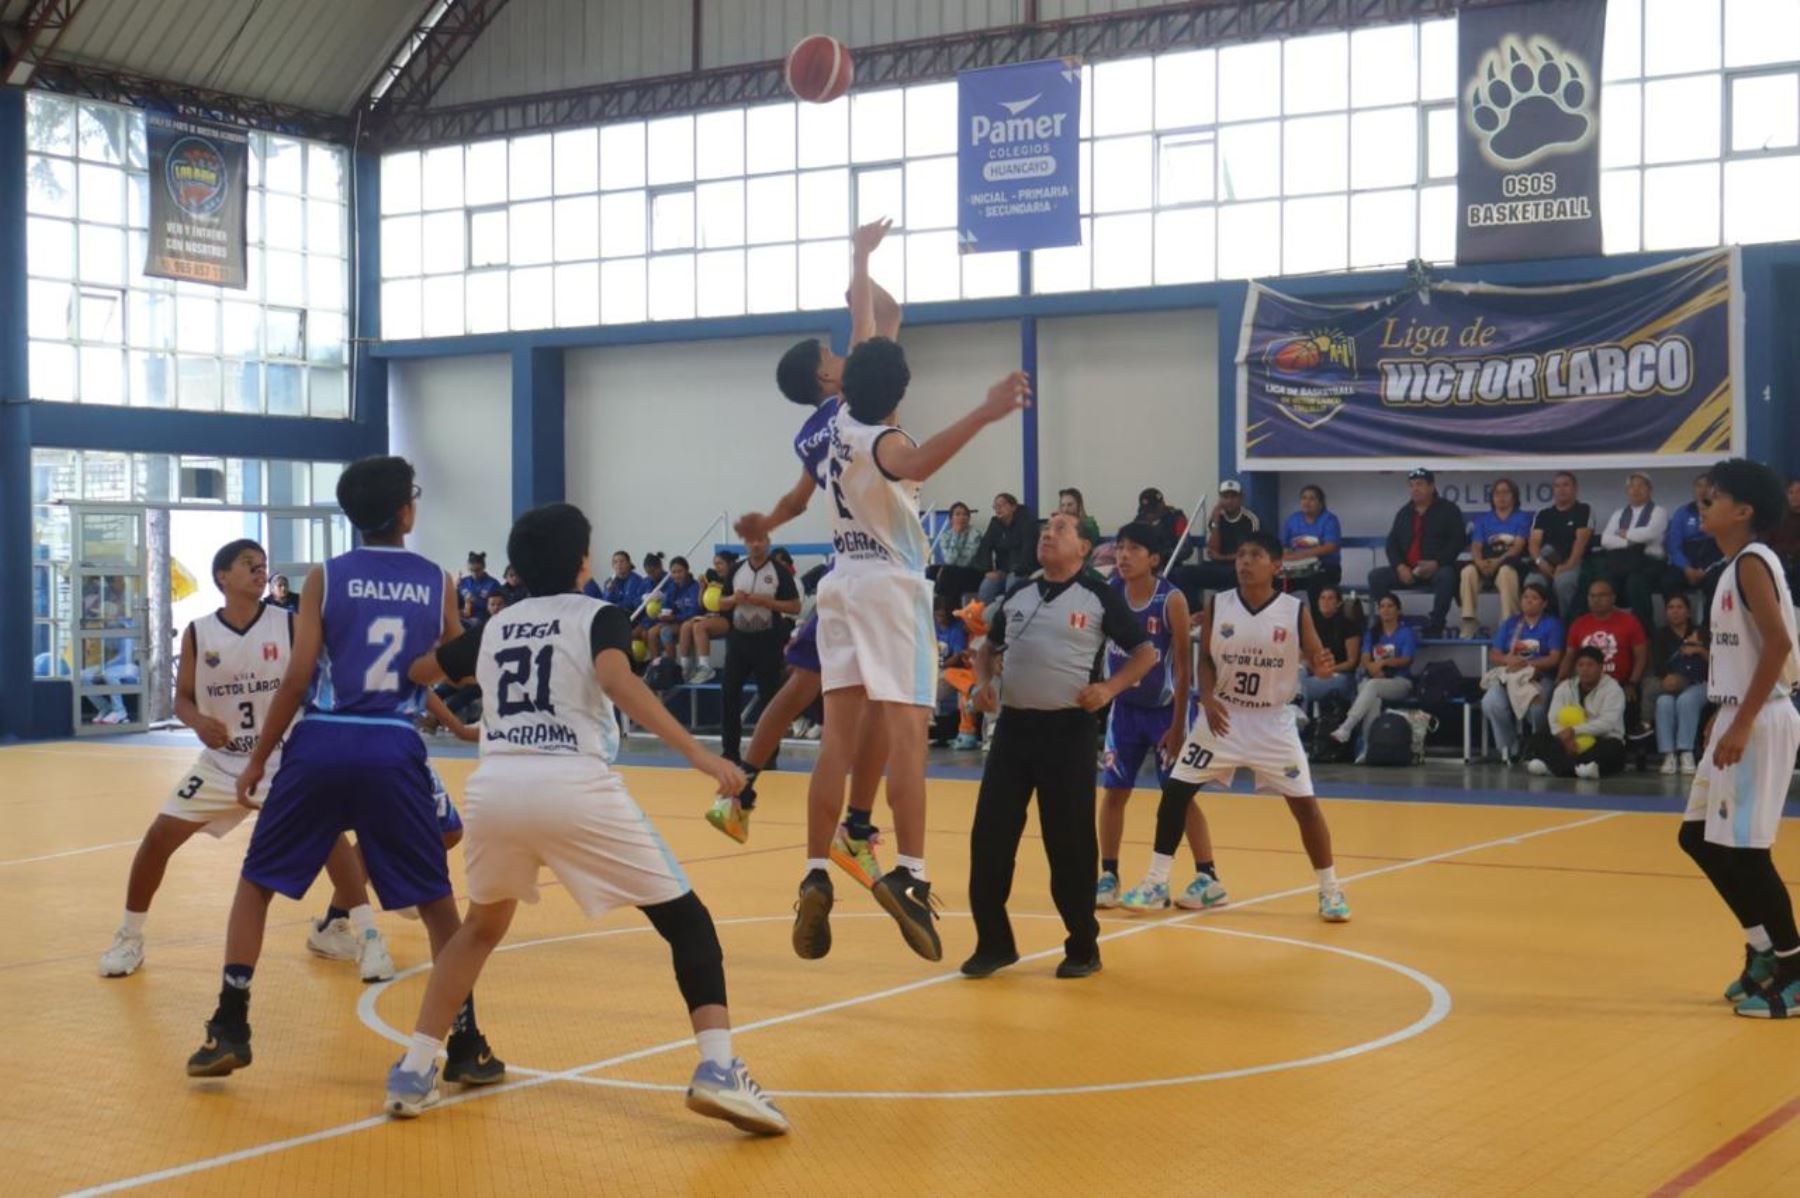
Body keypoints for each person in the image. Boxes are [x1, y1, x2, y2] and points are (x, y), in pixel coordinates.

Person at [381, 504, 784, 1131]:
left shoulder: (498, 625)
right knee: (688, 924)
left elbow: (418, 670)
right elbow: (619, 682)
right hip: (572, 782)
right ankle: (718, 1067)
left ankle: (412, 1068)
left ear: (515, 568)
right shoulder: (600, 615)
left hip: (496, 789)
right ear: (583, 563)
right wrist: (703, 756)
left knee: (479, 930)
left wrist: (442, 646)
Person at [184, 456, 502, 1087]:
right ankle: (466, 1043)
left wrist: (257, 757)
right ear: (406, 511)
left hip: (321, 741)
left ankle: (229, 1023)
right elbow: (458, 665)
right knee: (438, 904)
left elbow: (301, 676)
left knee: (256, 883)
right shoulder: (437, 580)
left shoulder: (325, 577)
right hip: (392, 744)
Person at [791, 335, 1031, 963]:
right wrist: (985, 411)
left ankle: (815, 870)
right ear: (899, 395)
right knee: (907, 737)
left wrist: (862, 260)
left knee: (838, 738)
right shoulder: (887, 444)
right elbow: (918, 461)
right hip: (891, 591)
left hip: (839, 585)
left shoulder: (838, 421)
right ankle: (912, 875)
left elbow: (868, 331)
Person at [96, 539, 390, 981]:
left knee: (329, 837)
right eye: (248, 565)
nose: (259, 571)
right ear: (222, 577)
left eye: (262, 565)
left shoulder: (290, 624)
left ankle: (364, 936)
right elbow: (182, 699)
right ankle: (128, 936)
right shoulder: (199, 631)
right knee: (158, 838)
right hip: (220, 763)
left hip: (284, 760)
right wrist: (197, 720)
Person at [713, 218, 899, 887]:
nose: (847, 352)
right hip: (878, 573)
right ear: (829, 374)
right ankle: (855, 829)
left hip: (845, 576)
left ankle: (738, 796)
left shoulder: (811, 432)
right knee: (875, 704)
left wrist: (768, 518)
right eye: (836, 352)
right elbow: (874, 317)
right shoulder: (856, 402)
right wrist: (859, 256)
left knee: (798, 689)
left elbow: (795, 501)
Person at [961, 513, 1157, 980]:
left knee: (1068, 844)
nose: (1049, 534)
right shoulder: (1018, 593)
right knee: (989, 839)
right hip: (1012, 733)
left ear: (1085, 547)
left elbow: (1146, 653)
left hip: (1067, 734)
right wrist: (983, 684)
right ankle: (994, 943)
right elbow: (987, 648)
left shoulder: (1098, 596)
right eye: (1046, 528)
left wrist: (1109, 689)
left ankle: (1082, 946)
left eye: (1062, 529)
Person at [1119, 530, 1351, 922]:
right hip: (1222, 716)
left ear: (1276, 565)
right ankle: (1156, 881)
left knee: (1305, 807)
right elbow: (1206, 661)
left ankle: (1330, 889)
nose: (1244, 561)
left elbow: (1315, 658)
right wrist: (1206, 697)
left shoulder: (1294, 610)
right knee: (1175, 792)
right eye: (1241, 554)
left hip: (1272, 722)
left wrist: (1323, 667)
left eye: (1255, 555)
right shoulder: (1218, 604)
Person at [1675, 457, 1800, 1018]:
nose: (1704, 500)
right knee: (1696, 838)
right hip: (1738, 710)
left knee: (1748, 854)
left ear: (1744, 511)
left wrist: (1743, 720)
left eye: (1715, 496)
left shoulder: (1752, 562)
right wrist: (1724, 711)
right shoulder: (1733, 565)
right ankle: (1762, 949)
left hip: (1763, 714)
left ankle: (1794, 971)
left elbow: (1777, 646)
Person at [1093, 523, 1205, 912]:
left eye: (1134, 548)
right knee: (1114, 792)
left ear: (1154, 559)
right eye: (1120, 547)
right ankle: (1108, 873)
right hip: (1124, 710)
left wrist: (1178, 725)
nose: (1123, 555)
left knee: (1180, 796)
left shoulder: (1170, 599)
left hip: (1165, 711)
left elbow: (1184, 670)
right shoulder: (1110, 594)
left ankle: (1208, 874)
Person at [717, 532, 800, 765]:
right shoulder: (736, 570)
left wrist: (767, 602)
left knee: (770, 700)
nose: (755, 544)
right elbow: (720, 602)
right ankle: (730, 752)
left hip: (767, 642)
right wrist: (734, 599)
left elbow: (795, 606)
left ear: (767, 543)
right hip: (738, 641)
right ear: (745, 543)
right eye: (751, 540)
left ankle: (768, 755)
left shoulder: (779, 571)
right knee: (729, 694)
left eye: (760, 540)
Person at [1367, 467, 1467, 638]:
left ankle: (1436, 625)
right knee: (1375, 576)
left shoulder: (1449, 510)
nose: (1415, 489)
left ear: (1431, 486)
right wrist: (1399, 566)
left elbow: (1457, 541)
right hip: (1407, 569)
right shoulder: (1404, 513)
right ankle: (1392, 620)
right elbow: (1392, 544)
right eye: (1411, 485)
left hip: (1436, 568)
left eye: (1419, 484)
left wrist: (1437, 563)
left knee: (1448, 575)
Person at [1478, 581, 1565, 765]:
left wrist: (1527, 664)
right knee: (1490, 702)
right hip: (1510, 677)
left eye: (1534, 598)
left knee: (1537, 709)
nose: (1528, 601)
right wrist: (1509, 661)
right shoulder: (1511, 623)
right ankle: (1510, 748)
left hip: (1538, 676)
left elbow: (1555, 657)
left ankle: (1537, 748)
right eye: (1525, 597)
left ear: (1544, 603)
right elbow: (1495, 653)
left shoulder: (1552, 624)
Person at [1328, 593, 1420, 754]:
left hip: (1400, 681)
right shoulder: (1373, 632)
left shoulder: (1406, 632)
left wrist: (1384, 663)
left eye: (1390, 606)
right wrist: (1374, 669)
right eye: (1382, 606)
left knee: (1370, 686)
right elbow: (1365, 659)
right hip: (1375, 680)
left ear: (1398, 610)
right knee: (1373, 698)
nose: (1386, 610)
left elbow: (1407, 660)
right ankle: (1368, 748)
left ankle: (1347, 726)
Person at [1523, 646, 1628, 779]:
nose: (1585, 669)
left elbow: (1607, 723)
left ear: (1601, 668)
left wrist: (1574, 731)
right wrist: (1565, 738)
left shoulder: (1613, 689)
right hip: (1567, 740)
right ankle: (1578, 769)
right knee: (1538, 739)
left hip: (1601, 739)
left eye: (1590, 665)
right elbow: (1553, 719)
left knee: (1614, 750)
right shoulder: (1565, 687)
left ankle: (1556, 767)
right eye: (1580, 665)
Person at [1591, 472, 1669, 633]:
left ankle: (1643, 630)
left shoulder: (1659, 511)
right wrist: (1632, 542)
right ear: (1627, 491)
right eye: (1632, 486)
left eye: (1641, 486)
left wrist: (1625, 534)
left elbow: (1650, 534)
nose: (1636, 489)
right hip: (1623, 562)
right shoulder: (1619, 513)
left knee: (1636, 582)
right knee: (1604, 583)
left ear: (1650, 490)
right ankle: (1607, 629)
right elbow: (1606, 540)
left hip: (1650, 562)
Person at [1459, 477, 1533, 639]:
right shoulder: (1483, 519)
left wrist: (1498, 562)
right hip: (1485, 564)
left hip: (1508, 563)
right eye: (1497, 493)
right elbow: (1476, 546)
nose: (1501, 496)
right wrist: (1479, 562)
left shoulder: (1522, 518)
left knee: (1506, 571)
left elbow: (1518, 547)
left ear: (1514, 496)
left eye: (1506, 492)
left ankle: (1509, 623)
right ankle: (1469, 620)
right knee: (1468, 572)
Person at [1172, 479, 1259, 605]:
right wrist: (1216, 521)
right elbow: (1212, 551)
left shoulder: (1250, 519)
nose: (1229, 500)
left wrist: (1221, 557)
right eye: (1225, 497)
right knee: (1181, 574)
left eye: (1233, 496)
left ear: (1241, 498)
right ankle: (1196, 614)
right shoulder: (1216, 518)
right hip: (1219, 567)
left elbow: (1248, 554)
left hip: (1240, 568)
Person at [1649, 592, 1708, 775]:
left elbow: (1716, 661)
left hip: (1700, 682)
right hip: (1671, 682)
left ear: (1689, 612)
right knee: (1663, 702)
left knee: (1686, 700)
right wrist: (1670, 679)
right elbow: (1659, 666)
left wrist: (1698, 649)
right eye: (1671, 608)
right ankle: (1669, 754)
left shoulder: (1701, 632)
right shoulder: (1660, 635)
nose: (1675, 611)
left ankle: (1686, 751)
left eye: (1679, 607)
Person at [1557, 578, 1648, 694]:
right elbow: (1569, 656)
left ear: (1613, 598)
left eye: (1601, 595)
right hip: (1584, 685)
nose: (1596, 600)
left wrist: (1632, 683)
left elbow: (1641, 657)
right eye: (1592, 596)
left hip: (1619, 685)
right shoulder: (1578, 624)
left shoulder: (1630, 622)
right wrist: (1561, 678)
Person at [1525, 470, 1595, 617]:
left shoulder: (1584, 510)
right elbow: (1534, 543)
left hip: (1573, 562)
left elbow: (1580, 542)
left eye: (1566, 485)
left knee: (1563, 583)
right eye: (1557, 486)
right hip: (1545, 561)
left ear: (1575, 489)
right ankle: (1538, 629)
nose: (1561, 489)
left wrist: (1567, 566)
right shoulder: (1543, 514)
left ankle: (1567, 627)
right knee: (1532, 584)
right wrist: (1540, 562)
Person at [1664, 472, 1722, 609]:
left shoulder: (1721, 511)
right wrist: (1686, 568)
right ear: (1693, 489)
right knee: (1668, 581)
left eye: (1708, 486)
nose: (1703, 490)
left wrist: (1706, 569)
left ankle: (1707, 626)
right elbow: (1673, 545)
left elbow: (1725, 544)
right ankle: (1679, 623)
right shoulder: (1682, 512)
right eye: (1699, 486)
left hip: (1712, 560)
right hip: (1687, 560)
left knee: (1717, 582)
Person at [1279, 484, 1343, 608]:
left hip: (1325, 568)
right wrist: (1286, 554)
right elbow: (1282, 544)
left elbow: (1332, 546)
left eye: (1312, 498)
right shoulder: (1293, 519)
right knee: (1273, 581)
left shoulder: (1329, 520)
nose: (1307, 502)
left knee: (1316, 584)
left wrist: (1299, 555)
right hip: (1295, 570)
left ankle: (1315, 622)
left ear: (1321, 502)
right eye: (1304, 498)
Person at [1302, 583, 1361, 709]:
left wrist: (1328, 670)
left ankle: (1298, 721)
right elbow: (1302, 655)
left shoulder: (1349, 625)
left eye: (1330, 598)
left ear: (1338, 603)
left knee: (1300, 688)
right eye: (1322, 598)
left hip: (1340, 675)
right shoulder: (1311, 624)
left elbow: (1352, 662)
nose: (1325, 601)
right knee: (1298, 672)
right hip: (1314, 673)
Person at [678, 553, 734, 682]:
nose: (717, 567)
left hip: (728, 617)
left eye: (720, 564)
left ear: (730, 565)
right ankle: (685, 667)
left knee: (699, 626)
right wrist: (702, 589)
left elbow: (729, 605)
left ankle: (705, 667)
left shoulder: (735, 580)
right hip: (711, 616)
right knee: (686, 626)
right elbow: (701, 604)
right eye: (715, 564)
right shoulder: (712, 578)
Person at [975, 491, 1039, 603]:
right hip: (1003, 570)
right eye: (995, 506)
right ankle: (985, 619)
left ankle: (1008, 618)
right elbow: (985, 546)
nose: (998, 508)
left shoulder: (1027, 523)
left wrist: (1016, 570)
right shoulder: (995, 524)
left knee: (1012, 583)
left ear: (1013, 507)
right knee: (986, 587)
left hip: (1023, 569)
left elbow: (1029, 550)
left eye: (1002, 505)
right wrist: (988, 570)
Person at [929, 500, 985, 610]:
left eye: (965, 514)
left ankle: (943, 610)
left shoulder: (976, 534)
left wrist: (958, 536)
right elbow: (949, 560)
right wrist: (956, 535)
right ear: (951, 519)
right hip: (953, 572)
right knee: (931, 570)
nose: (962, 517)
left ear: (969, 518)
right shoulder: (946, 536)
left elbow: (966, 561)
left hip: (974, 572)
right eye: (958, 514)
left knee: (947, 573)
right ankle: (940, 609)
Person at [648, 555, 701, 666]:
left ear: (687, 571)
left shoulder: (694, 586)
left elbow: (695, 611)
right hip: (674, 621)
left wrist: (675, 617)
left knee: (665, 631)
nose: (677, 575)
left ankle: (672, 666)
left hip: (690, 620)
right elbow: (667, 606)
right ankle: (656, 666)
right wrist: (661, 614)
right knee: (651, 632)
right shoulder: (672, 587)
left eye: (679, 571)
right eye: (674, 572)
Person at [1135, 487, 1188, 557]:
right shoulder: (1139, 520)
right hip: (1144, 564)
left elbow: (1186, 549)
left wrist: (1161, 555)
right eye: (1146, 511)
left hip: (1170, 564)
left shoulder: (1177, 519)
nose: (1149, 514)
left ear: (1162, 504)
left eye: (1152, 510)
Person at [458, 551, 501, 629]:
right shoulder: (463, 582)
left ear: (483, 567)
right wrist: (454, 587)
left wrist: (476, 600)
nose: (474, 573)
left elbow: (498, 606)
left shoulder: (493, 583)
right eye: (471, 570)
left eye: (477, 570)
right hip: (463, 616)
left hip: (482, 620)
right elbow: (456, 602)